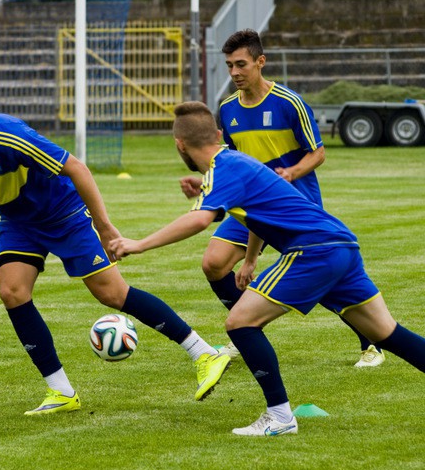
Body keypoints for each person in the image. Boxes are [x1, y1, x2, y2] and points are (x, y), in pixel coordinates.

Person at [0, 104, 231, 415]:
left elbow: (76, 167)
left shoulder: (6, 134)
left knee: (112, 294)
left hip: (64, 214)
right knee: (12, 292)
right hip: (19, 223)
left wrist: (106, 227)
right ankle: (61, 391)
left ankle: (203, 352)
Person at [110, 101, 425, 436]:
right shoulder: (236, 162)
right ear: (218, 134)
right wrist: (249, 259)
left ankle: (280, 416)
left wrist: (138, 244)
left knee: (240, 322)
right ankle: (280, 415)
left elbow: (199, 220)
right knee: (386, 333)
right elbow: (258, 213)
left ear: (179, 145)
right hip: (341, 244)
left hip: (312, 250)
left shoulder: (223, 167)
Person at [180, 29, 382, 367]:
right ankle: (246, 332)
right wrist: (204, 185)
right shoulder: (227, 108)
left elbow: (317, 154)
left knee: (320, 279)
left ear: (261, 62)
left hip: (294, 206)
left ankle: (371, 343)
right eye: (229, 65)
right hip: (249, 209)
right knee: (213, 263)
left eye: (241, 64)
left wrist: (290, 174)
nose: (234, 73)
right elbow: (226, 163)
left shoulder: (289, 102)